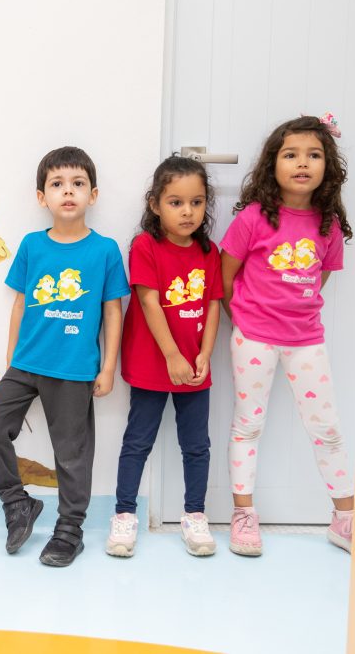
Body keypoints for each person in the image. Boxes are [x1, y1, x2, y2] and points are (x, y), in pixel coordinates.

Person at [0, 146, 129, 567]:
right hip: (27, 363)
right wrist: (11, 359)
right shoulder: (32, 245)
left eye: (78, 184)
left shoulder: (104, 251)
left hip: (74, 369)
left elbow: (113, 310)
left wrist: (108, 366)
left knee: (72, 452)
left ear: (93, 195)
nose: (68, 192)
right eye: (58, 184)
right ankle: (16, 504)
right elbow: (21, 303)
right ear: (42, 197)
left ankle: (70, 529)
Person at [220, 113, 355, 555]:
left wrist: (295, 310)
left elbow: (321, 278)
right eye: (291, 154)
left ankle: (345, 518)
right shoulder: (254, 219)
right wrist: (243, 318)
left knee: (328, 428)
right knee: (248, 425)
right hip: (254, 338)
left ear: (327, 167)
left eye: (314, 155)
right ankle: (243, 515)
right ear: (272, 164)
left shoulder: (328, 224)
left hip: (306, 341)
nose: (303, 163)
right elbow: (227, 277)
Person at [107, 156, 222, 558]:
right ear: (155, 204)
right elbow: (148, 300)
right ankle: (124, 515)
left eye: (196, 201)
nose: (187, 211)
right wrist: (172, 355)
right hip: (154, 363)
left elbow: (211, 306)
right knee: (138, 441)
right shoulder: (145, 246)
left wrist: (205, 353)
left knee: (197, 446)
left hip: (194, 366)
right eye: (176, 202)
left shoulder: (210, 252)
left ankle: (195, 515)